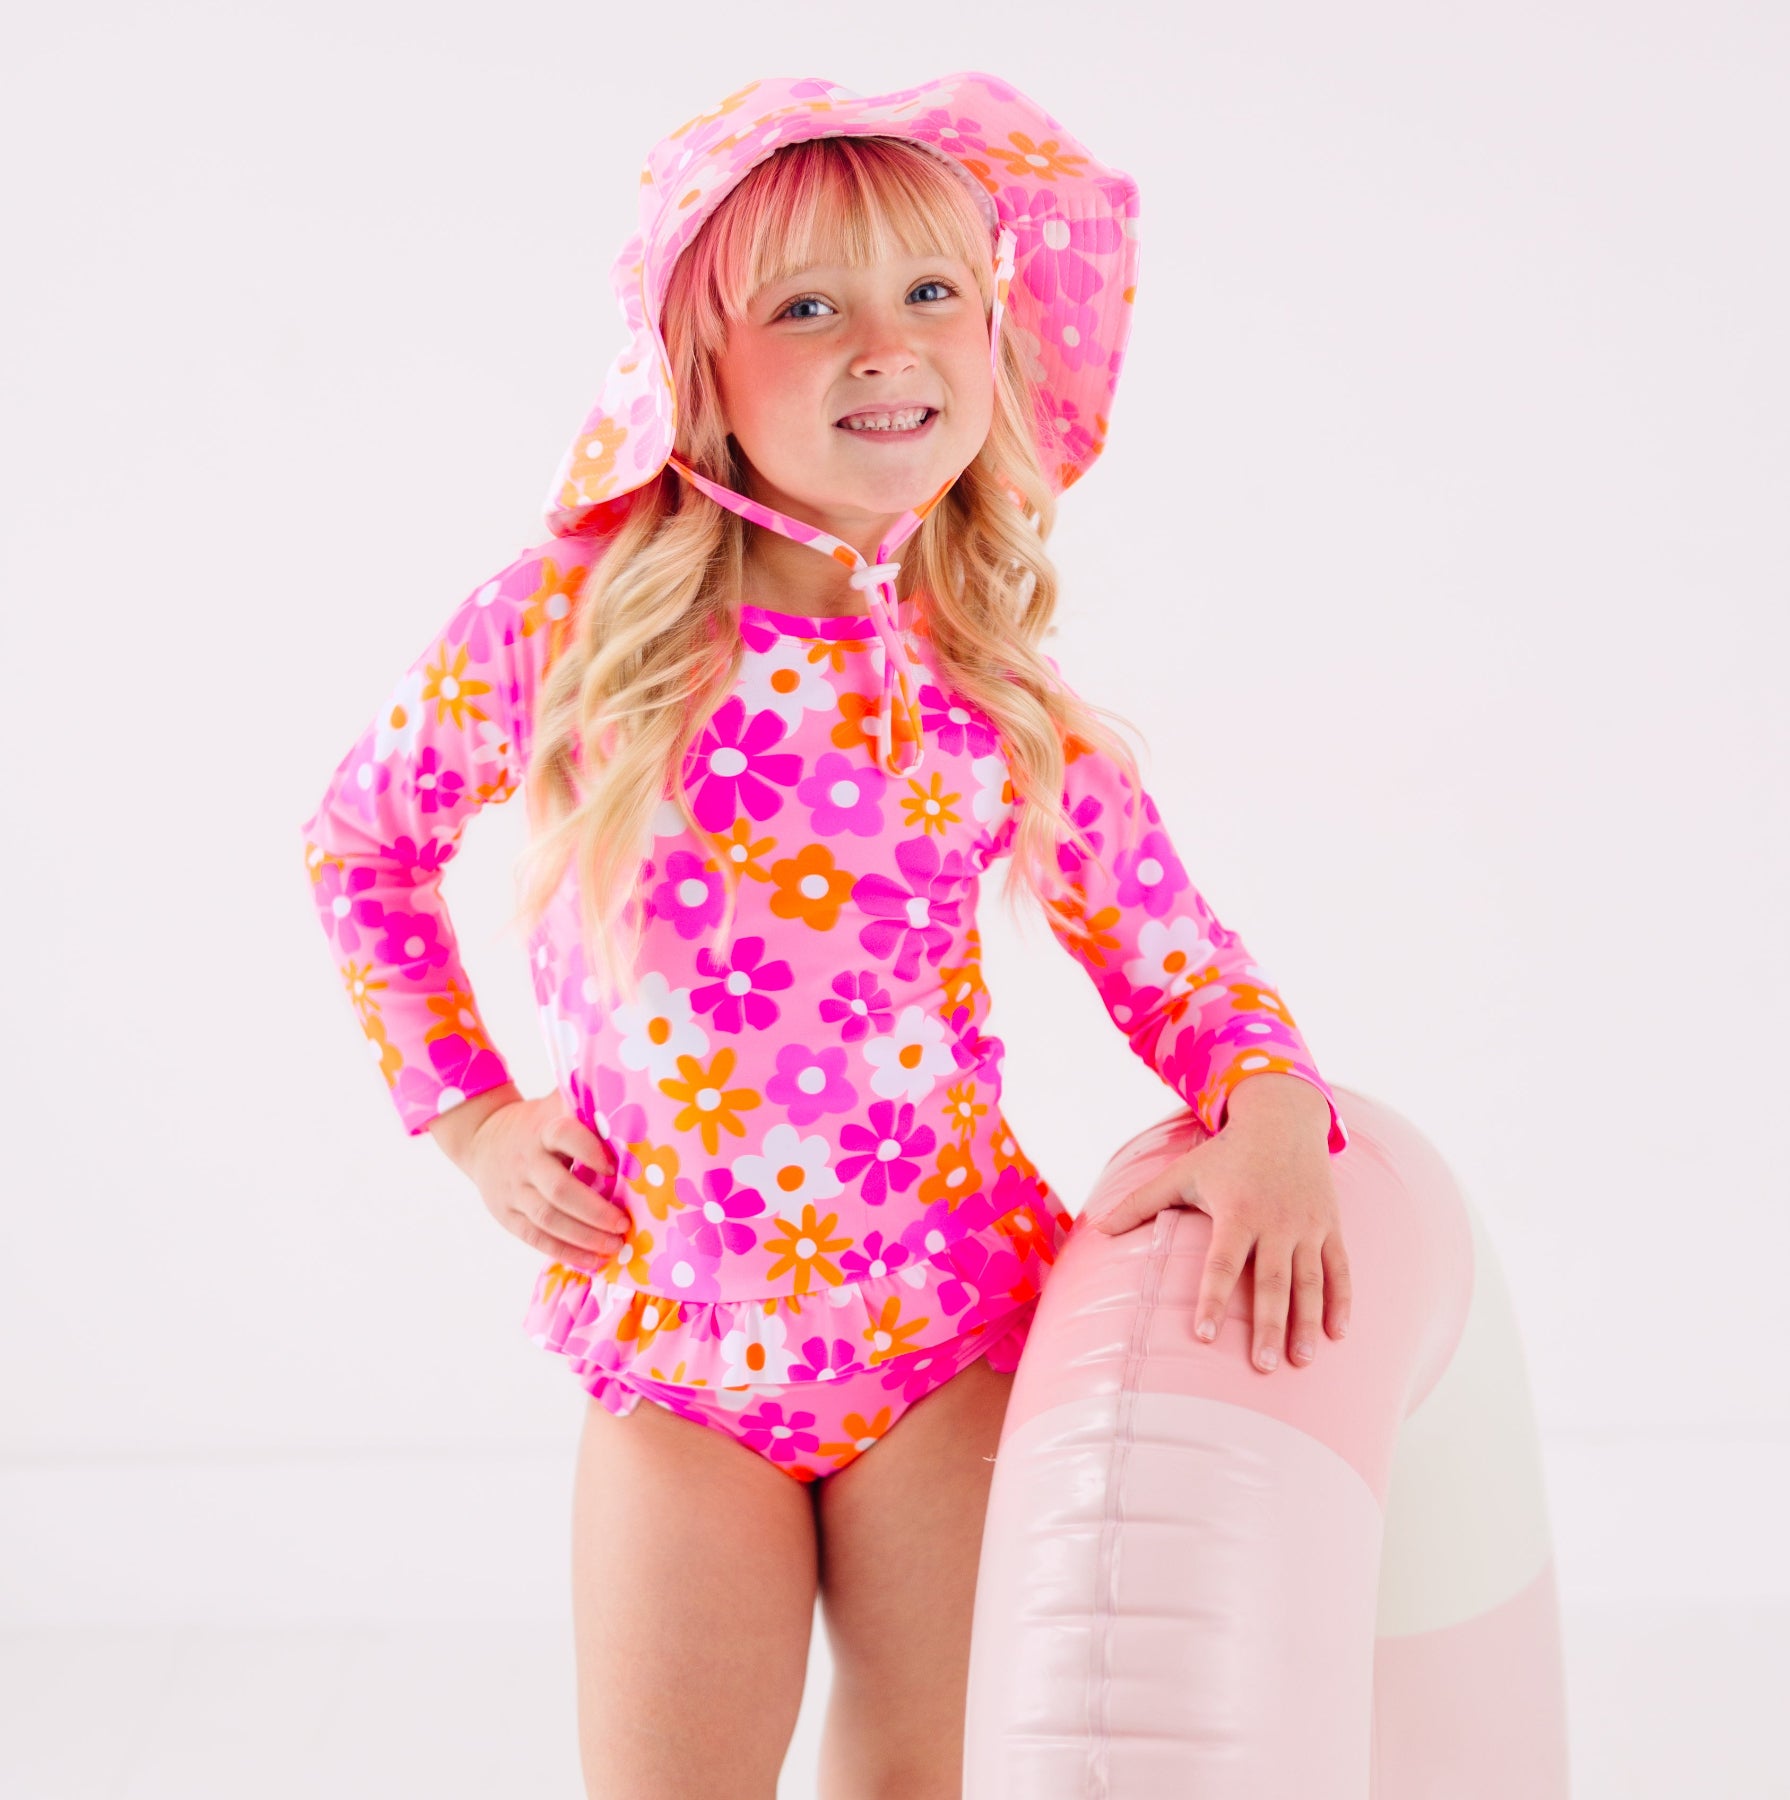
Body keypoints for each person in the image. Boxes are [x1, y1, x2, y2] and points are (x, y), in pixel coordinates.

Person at [299, 70, 1351, 1798]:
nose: (885, 346)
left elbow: (1179, 959)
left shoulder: (987, 688)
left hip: (945, 1333)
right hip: (678, 1335)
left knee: (920, 1780)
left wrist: (1277, 1106)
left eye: (932, 291)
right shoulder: (563, 628)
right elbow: (362, 846)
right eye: (808, 307)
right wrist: (471, 1115)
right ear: (692, 367)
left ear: (995, 333)